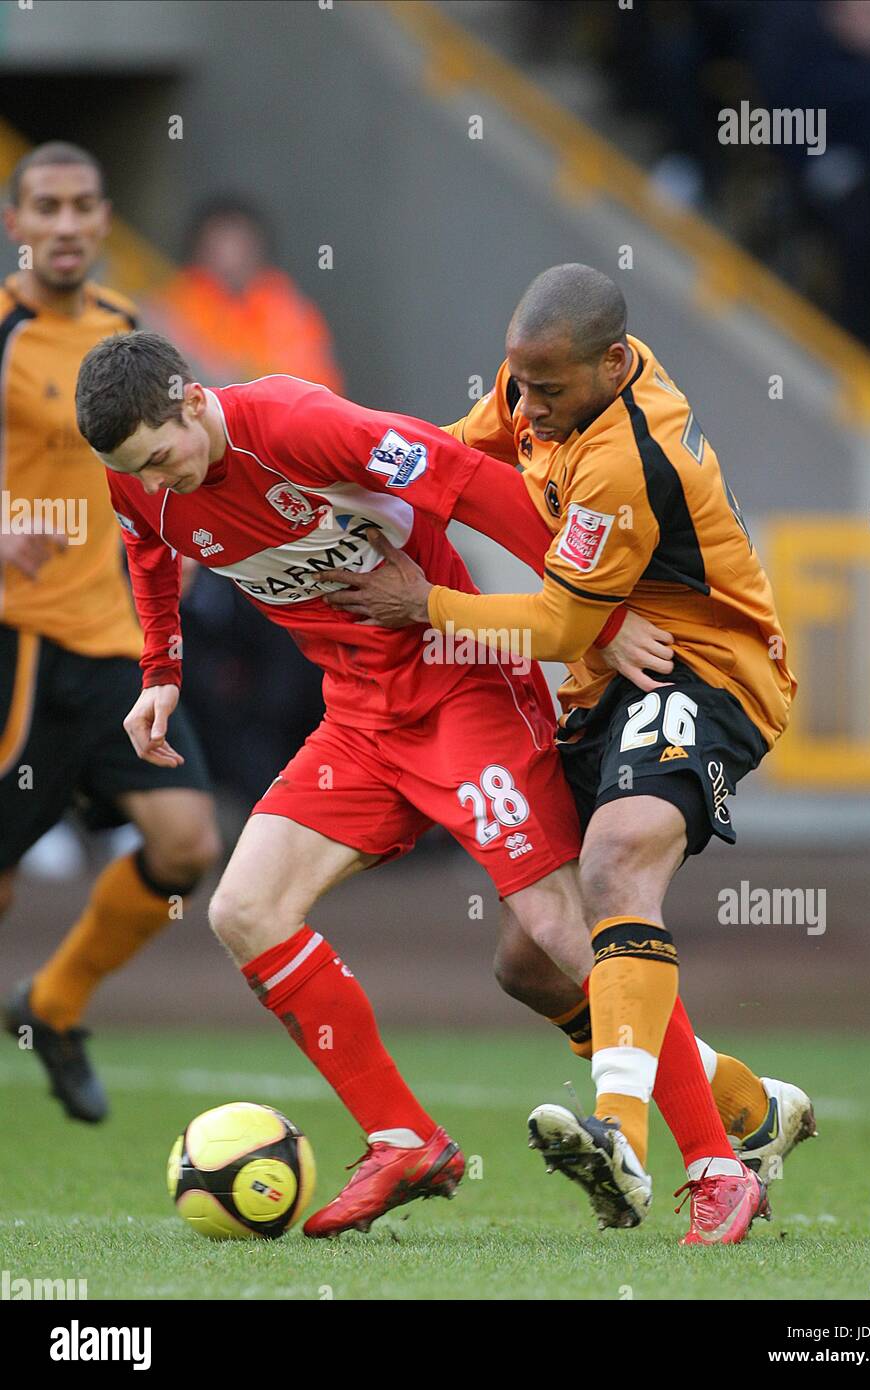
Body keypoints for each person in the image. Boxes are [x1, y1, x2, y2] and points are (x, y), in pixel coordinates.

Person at [76, 330, 794, 1243]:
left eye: (161, 456)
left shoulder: (299, 424)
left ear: (188, 398)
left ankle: (717, 1165)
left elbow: (470, 480)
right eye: (135, 469)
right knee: (244, 909)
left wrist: (593, 620)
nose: (159, 481)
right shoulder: (138, 477)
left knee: (555, 930)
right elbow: (144, 545)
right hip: (359, 719)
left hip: (465, 688)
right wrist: (160, 670)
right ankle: (404, 1138)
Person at [323, 263, 810, 1238]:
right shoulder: (536, 383)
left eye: (548, 390)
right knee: (528, 957)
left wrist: (424, 603)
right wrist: (352, 492)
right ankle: (747, 1108)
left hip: (705, 668)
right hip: (606, 682)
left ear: (613, 363)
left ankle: (624, 1137)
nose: (526, 407)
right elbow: (454, 460)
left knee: (616, 857)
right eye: (519, 383)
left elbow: (551, 623)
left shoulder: (629, 455)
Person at [0, 143, 221, 1122]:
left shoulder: (123, 333)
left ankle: (51, 1006)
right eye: (44, 205)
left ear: (101, 218)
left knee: (185, 844)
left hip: (114, 646)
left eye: (82, 204)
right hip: (19, 646)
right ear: (16, 224)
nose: (65, 223)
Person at [147, 195, 344, 389]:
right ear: (198, 250)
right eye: (219, 244)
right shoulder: (173, 306)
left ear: (258, 250)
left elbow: (316, 385)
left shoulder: (288, 310)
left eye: (238, 244)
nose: (229, 257)